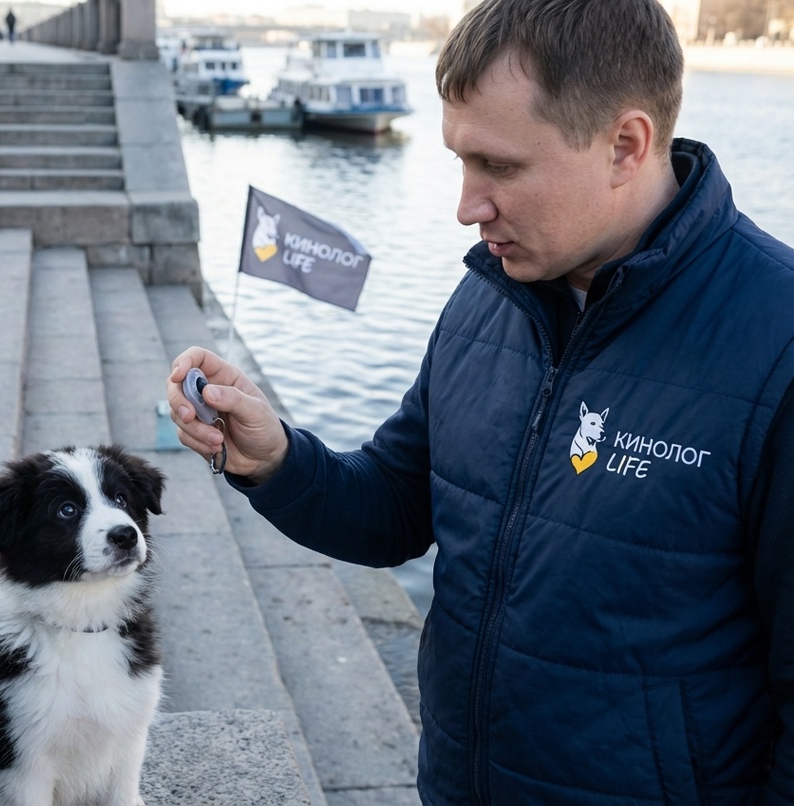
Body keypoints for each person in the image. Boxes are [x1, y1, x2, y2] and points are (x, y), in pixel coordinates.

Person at [167, 0, 792, 802]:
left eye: (499, 167)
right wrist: (276, 460)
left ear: (625, 146)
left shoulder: (777, 343)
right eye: (461, 162)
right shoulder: (490, 296)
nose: (468, 205)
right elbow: (398, 505)